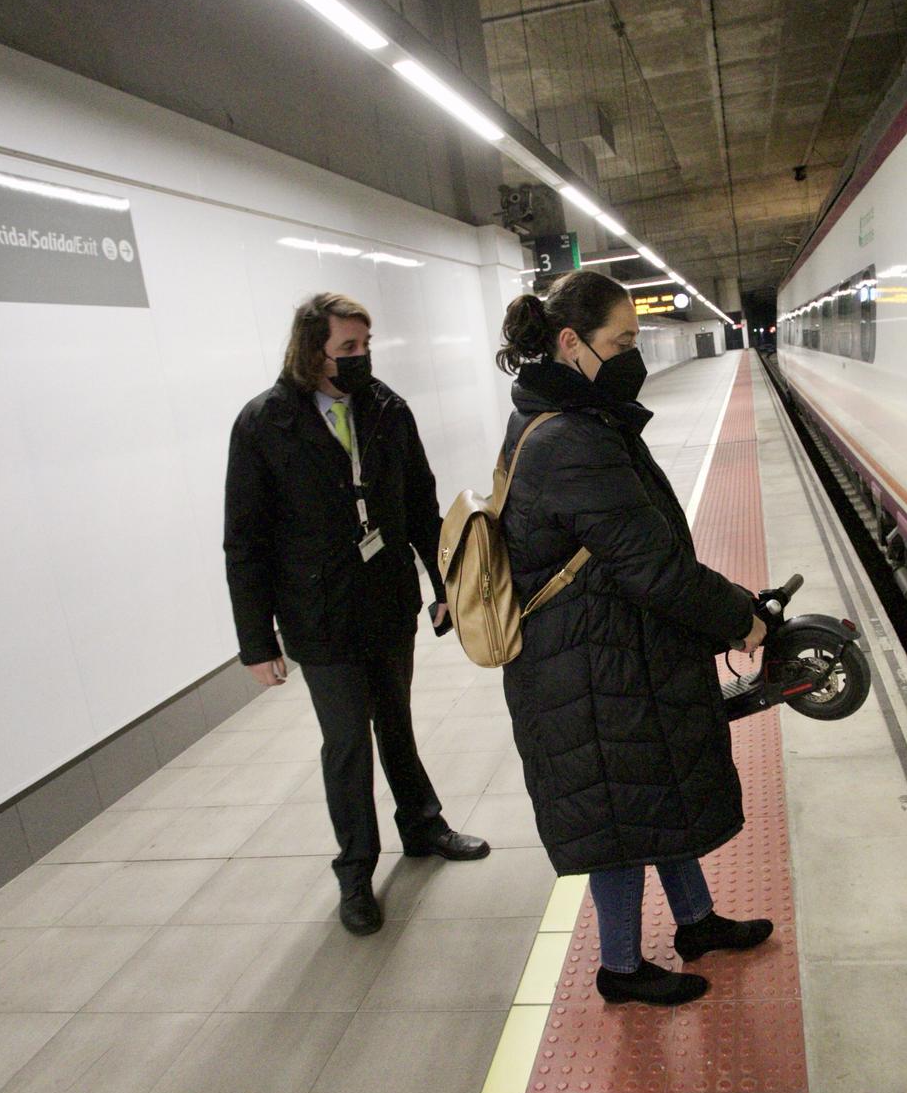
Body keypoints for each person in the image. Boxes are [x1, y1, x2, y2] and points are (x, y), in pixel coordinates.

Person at [492, 269, 773, 1006]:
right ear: (569, 343)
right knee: (619, 814)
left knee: (654, 789)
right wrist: (738, 617)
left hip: (606, 647)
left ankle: (696, 920)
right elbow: (652, 564)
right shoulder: (572, 441)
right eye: (620, 341)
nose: (632, 355)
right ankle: (620, 966)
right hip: (586, 666)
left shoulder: (573, 419)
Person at [223, 291, 489, 936]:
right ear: (311, 350)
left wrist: (444, 581)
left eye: (365, 346)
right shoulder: (264, 423)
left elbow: (422, 502)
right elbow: (245, 538)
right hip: (317, 613)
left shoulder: (386, 409)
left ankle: (423, 828)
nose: (360, 358)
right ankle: (356, 870)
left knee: (395, 721)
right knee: (347, 741)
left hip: (387, 598)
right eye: (347, 349)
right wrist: (256, 640)